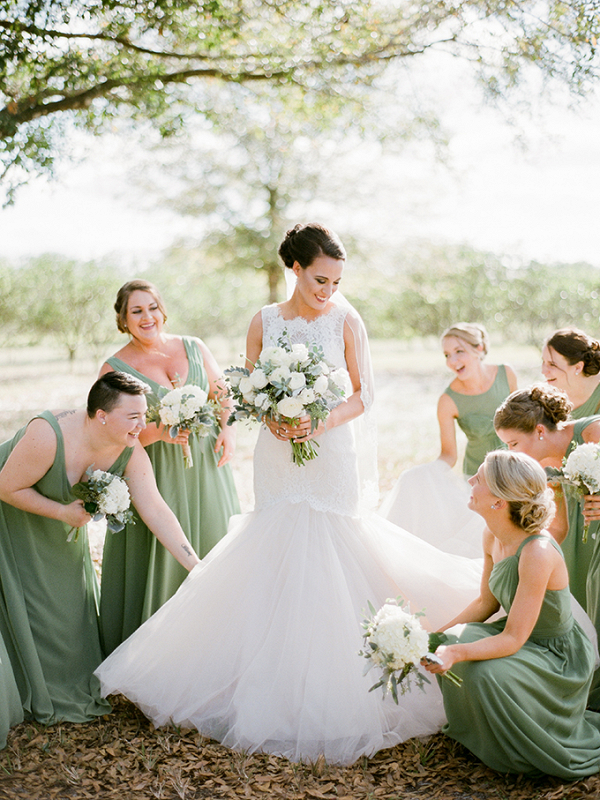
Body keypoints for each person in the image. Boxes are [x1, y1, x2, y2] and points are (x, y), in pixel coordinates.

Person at [95, 223, 484, 765]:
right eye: (320, 278)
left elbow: (364, 393)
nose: (328, 289)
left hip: (330, 455)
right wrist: (272, 417)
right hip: (279, 456)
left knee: (334, 544)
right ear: (295, 269)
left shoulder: (348, 320)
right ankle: (259, 673)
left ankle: (344, 674)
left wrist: (317, 423)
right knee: (276, 541)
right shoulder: (264, 321)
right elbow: (250, 388)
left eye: (336, 280)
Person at [0, 372, 200, 725]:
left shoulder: (129, 449)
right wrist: (62, 511)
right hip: (11, 514)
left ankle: (57, 682)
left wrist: (195, 566)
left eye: (144, 415)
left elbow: (155, 509)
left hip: (59, 528)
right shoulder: (48, 435)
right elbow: (7, 488)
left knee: (65, 607)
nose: (143, 425)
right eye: (133, 416)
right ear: (101, 415)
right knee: (22, 600)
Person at [423, 450, 600, 778]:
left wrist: (456, 653)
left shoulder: (537, 551)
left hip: (555, 656)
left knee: (480, 672)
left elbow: (514, 638)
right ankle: (481, 737)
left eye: (479, 479)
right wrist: (432, 639)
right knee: (448, 641)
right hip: (518, 636)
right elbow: (484, 605)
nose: (470, 481)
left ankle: (520, 752)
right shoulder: (492, 534)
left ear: (499, 501)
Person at [98, 280, 240, 654]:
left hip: (208, 466)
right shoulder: (114, 367)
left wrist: (227, 429)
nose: (148, 317)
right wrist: (157, 432)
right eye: (136, 311)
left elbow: (223, 392)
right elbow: (108, 435)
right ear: (123, 319)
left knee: (213, 540)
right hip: (155, 471)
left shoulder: (193, 346)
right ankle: (163, 651)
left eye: (152, 308)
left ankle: (221, 640)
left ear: (163, 310)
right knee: (165, 556)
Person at [494, 384, 600, 709]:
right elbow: (559, 526)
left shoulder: (592, 432)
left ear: (539, 430)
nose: (511, 452)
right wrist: (524, 554)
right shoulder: (544, 466)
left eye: (513, 443)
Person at [380, 323, 516, 557]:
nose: (452, 361)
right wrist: (425, 472)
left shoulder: (506, 374)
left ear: (479, 348)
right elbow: (449, 455)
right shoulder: (447, 400)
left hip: (515, 471)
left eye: (459, 351)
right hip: (480, 478)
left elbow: (524, 422)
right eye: (446, 355)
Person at [542, 327, 600, 418]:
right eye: (543, 361)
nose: (543, 371)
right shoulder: (542, 398)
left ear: (578, 367)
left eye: (552, 364)